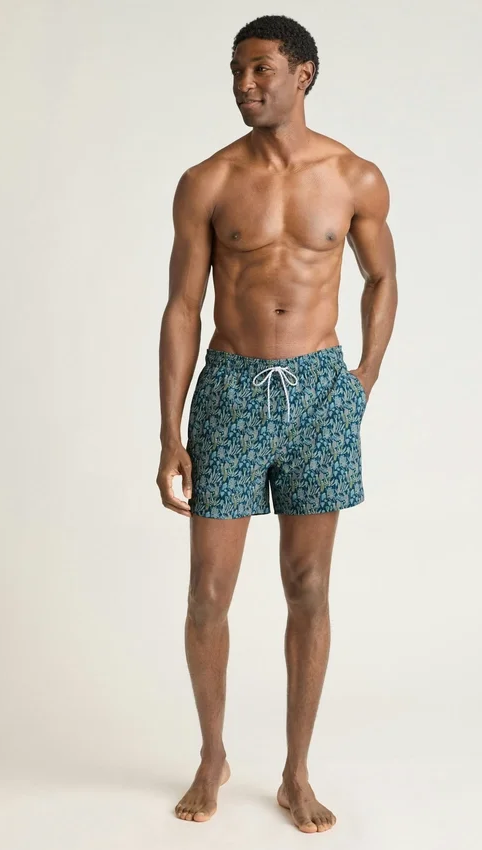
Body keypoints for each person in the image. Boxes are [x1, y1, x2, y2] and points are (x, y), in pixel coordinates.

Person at [156, 14, 397, 834]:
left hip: (321, 392)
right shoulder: (207, 181)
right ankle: (211, 756)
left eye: (260, 68)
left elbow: (381, 278)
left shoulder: (354, 176)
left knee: (309, 586)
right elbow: (182, 307)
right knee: (207, 593)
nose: (244, 84)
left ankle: (297, 773)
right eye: (236, 70)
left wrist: (363, 377)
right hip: (228, 391)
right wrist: (168, 431)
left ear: (303, 74)